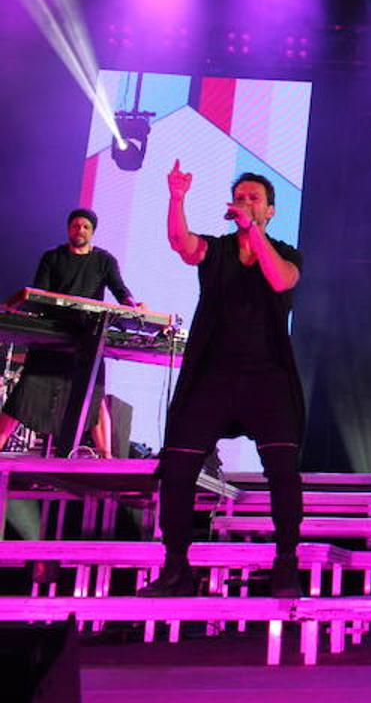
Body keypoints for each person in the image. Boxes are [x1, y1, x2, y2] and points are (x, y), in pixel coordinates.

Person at [138, 162, 305, 598]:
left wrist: (254, 234)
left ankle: (286, 561)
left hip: (267, 378)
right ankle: (177, 568)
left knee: (284, 470)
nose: (246, 203)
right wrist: (177, 198)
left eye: (255, 198)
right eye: (241, 197)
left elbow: (278, 279)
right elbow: (182, 243)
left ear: (270, 210)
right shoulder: (217, 251)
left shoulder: (286, 252)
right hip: (212, 375)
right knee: (177, 467)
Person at [0, 208, 138, 458]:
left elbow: (121, 290)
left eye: (85, 227)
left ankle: (105, 458)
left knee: (94, 394)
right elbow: (39, 293)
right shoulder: (52, 257)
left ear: (92, 231)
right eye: (75, 226)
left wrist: (133, 305)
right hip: (52, 334)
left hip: (88, 335)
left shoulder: (104, 261)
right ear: (68, 229)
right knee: (27, 389)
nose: (80, 230)